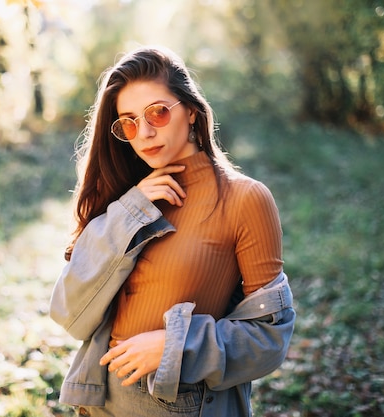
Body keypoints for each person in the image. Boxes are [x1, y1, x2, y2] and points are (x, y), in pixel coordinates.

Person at [49, 45, 295, 417]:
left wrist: (175, 345)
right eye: (129, 122)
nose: (144, 133)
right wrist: (130, 210)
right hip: (100, 402)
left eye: (158, 113)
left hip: (173, 405)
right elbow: (69, 311)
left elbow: (270, 338)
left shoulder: (245, 199)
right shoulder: (129, 199)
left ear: (192, 111)